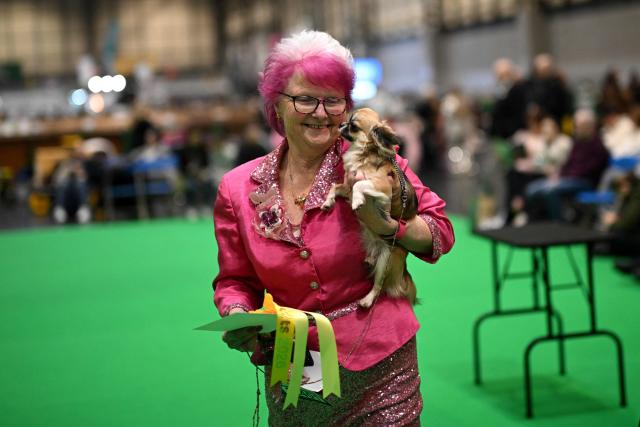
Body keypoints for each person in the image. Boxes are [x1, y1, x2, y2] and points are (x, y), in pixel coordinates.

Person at [211, 30, 454, 425]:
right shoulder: (237, 188)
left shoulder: (373, 163)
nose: (321, 113)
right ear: (277, 103)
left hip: (382, 368)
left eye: (334, 100)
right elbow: (234, 279)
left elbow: (440, 229)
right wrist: (239, 316)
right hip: (294, 369)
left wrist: (389, 225)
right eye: (306, 98)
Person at [524, 109, 609, 222]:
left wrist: (563, 178)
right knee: (531, 189)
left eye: (580, 126)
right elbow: (568, 164)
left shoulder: (598, 147)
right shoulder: (577, 143)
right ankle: (537, 223)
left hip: (585, 182)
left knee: (551, 191)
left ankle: (558, 226)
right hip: (568, 179)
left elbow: (587, 171)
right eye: (576, 125)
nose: (577, 129)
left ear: (590, 126)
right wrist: (560, 175)